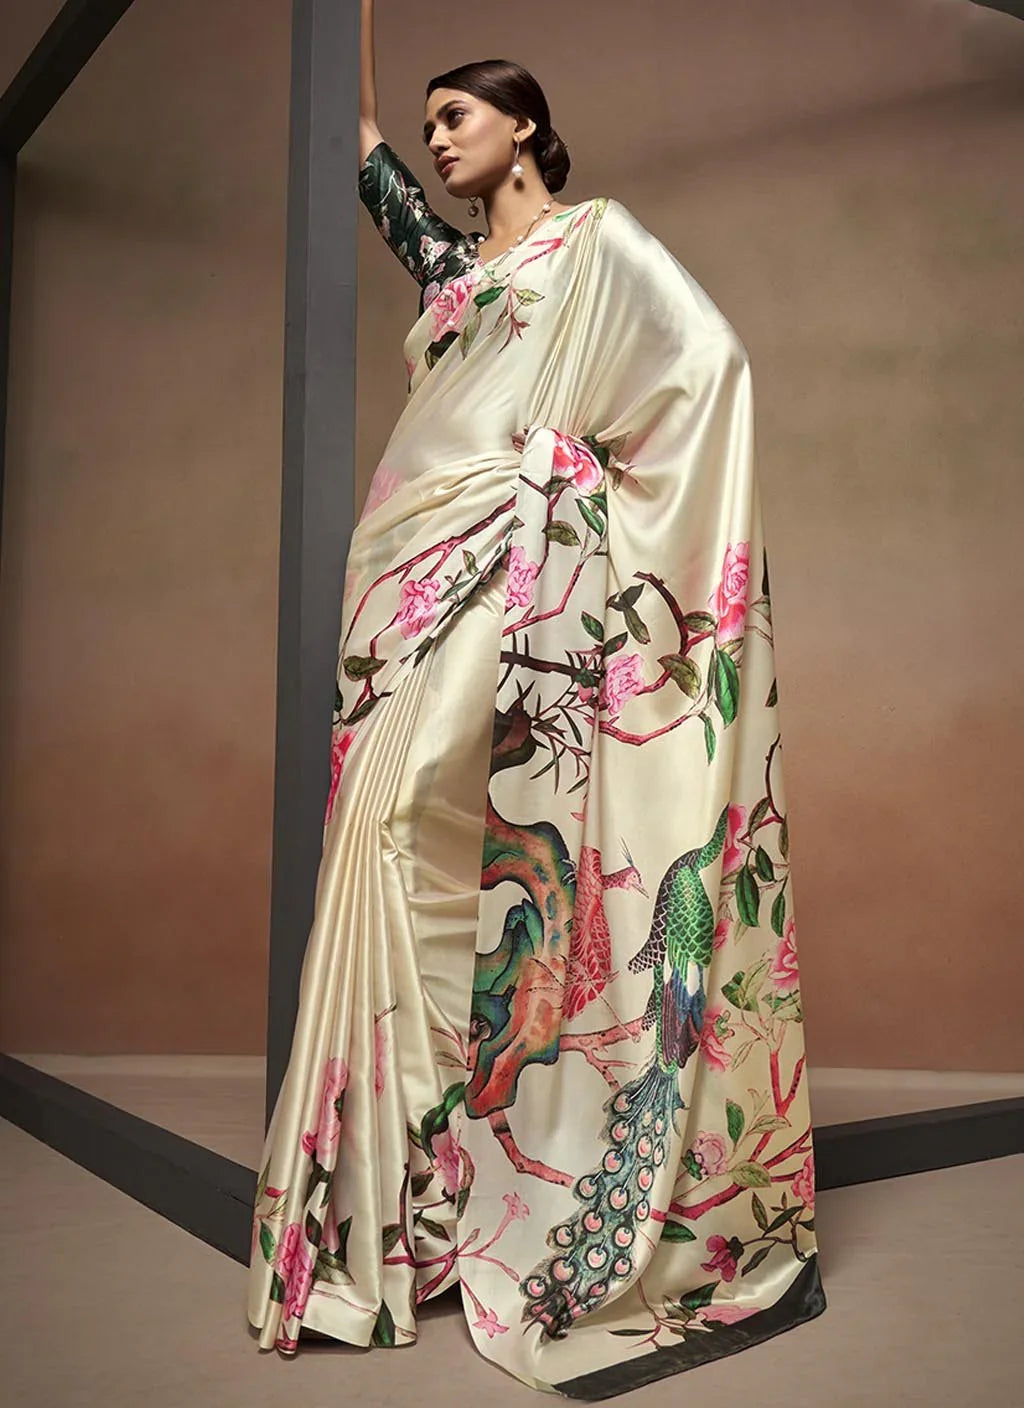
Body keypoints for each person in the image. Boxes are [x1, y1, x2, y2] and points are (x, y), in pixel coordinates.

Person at [247, 0, 826, 1394]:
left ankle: (511, 1183)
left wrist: (568, 486)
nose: (439, 140)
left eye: (461, 116)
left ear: (524, 125)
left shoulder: (596, 242)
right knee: (383, 841)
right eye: (432, 123)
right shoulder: (453, 273)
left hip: (510, 564)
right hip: (402, 573)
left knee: (429, 828)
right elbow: (360, 138)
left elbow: (709, 371)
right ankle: (408, 1199)